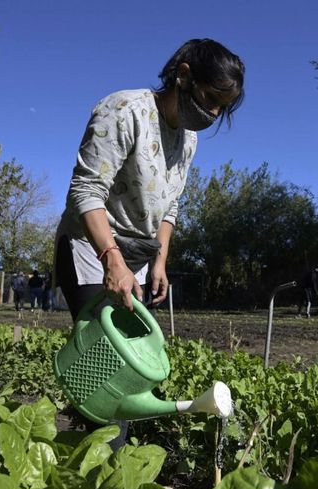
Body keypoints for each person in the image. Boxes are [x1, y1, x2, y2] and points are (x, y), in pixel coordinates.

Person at [54, 39, 245, 321]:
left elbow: (170, 206)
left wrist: (159, 262)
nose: (215, 113)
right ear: (183, 75)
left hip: (138, 252)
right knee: (100, 350)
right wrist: (112, 259)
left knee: (135, 352)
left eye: (223, 107)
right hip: (92, 247)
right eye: (211, 99)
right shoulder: (125, 110)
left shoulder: (188, 138)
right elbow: (85, 190)